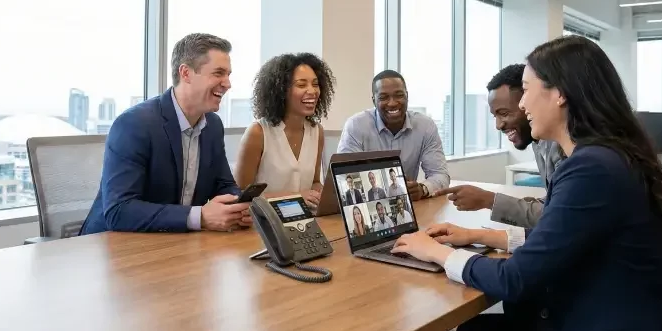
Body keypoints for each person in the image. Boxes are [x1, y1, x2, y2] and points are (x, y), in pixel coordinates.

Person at [390, 36, 662, 331]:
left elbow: (514, 279)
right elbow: (562, 235)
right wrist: (478, 236)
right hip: (615, 317)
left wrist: (436, 252)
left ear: (559, 93)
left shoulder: (592, 168)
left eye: (527, 90)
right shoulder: (605, 156)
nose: (521, 104)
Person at [80, 33, 250, 234]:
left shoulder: (212, 125)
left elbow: (223, 184)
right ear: (186, 73)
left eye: (228, 74)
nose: (228, 83)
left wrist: (237, 206)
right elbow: (119, 211)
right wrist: (200, 217)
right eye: (218, 73)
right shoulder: (135, 124)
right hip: (113, 247)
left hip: (174, 243)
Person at [434, 64, 563, 228]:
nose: (498, 125)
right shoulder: (539, 142)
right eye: (495, 115)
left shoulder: (564, 146)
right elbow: (556, 202)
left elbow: (560, 217)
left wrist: (488, 200)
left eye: (504, 113)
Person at [234, 53, 335, 209]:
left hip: (305, 220)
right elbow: (240, 195)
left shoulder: (317, 132)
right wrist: (297, 198)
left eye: (315, 84)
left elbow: (314, 182)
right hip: (264, 224)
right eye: (301, 85)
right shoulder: (258, 133)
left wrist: (324, 195)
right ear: (280, 91)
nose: (312, 91)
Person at [337, 70, 450, 201]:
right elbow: (344, 176)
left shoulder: (425, 126)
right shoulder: (355, 125)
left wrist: (422, 189)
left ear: (407, 96)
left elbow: (440, 175)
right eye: (384, 97)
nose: (392, 103)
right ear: (374, 100)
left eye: (399, 95)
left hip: (410, 206)